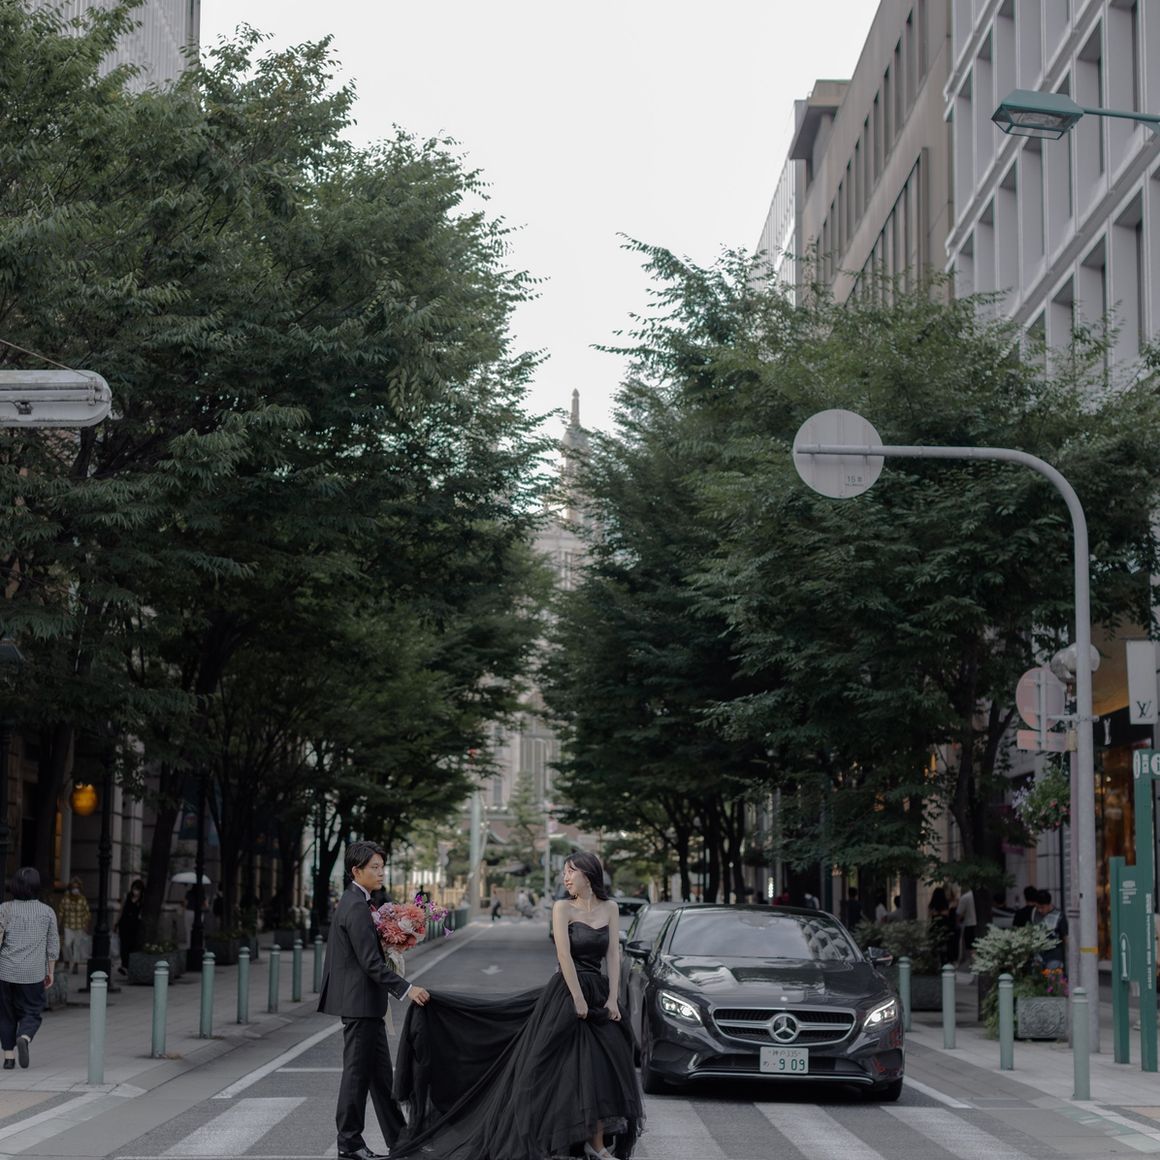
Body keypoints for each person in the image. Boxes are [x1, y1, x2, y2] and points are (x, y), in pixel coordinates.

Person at [392, 851, 642, 1159]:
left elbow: (613, 954)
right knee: (554, 1070)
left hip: (600, 994)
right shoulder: (562, 907)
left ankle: (596, 1143)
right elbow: (564, 955)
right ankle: (555, 1141)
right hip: (567, 993)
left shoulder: (610, 908)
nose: (565, 877)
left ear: (588, 875)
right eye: (564, 871)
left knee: (601, 1069)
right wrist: (577, 998)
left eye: (570, 871)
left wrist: (613, 998)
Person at [317, 840, 430, 1160]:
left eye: (382, 867)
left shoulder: (359, 902)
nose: (381, 873)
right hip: (359, 1003)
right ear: (356, 871)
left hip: (367, 1003)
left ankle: (400, 1140)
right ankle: (349, 1143)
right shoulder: (355, 906)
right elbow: (369, 962)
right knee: (356, 1075)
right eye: (375, 868)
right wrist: (408, 989)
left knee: (381, 1077)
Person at [0, 867, 59, 1070]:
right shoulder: (47, 912)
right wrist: (50, 971)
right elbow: (52, 945)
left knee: (5, 1014)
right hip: (32, 973)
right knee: (32, 1011)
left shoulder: (4, 909)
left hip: (5, 971)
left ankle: (8, 1058)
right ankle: (24, 1036)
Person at [56, 877, 91, 975]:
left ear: (80, 888)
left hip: (79, 926)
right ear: (70, 888)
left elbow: (87, 913)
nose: (75, 890)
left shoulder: (82, 899)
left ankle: (75, 964)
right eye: (73, 888)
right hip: (68, 926)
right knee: (66, 945)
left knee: (77, 946)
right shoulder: (65, 899)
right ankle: (67, 961)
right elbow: (61, 912)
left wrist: (86, 925)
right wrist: (58, 924)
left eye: (77, 888)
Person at [114, 879, 144, 976]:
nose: (135, 891)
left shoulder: (142, 900)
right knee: (123, 945)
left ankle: (129, 966)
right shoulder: (127, 897)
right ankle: (124, 965)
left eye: (138, 889)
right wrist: (116, 923)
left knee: (132, 945)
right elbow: (121, 910)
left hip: (134, 925)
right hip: (124, 923)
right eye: (134, 888)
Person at [1033, 889, 1068, 969]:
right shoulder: (1035, 913)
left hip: (1054, 957)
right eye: (1037, 907)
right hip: (1038, 957)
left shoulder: (1059, 916)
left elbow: (1065, 938)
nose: (1040, 910)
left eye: (1042, 907)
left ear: (1049, 904)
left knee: (1052, 975)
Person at [928, 887, 957, 966]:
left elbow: (929, 916)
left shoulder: (931, 906)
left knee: (936, 946)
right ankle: (947, 961)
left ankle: (936, 961)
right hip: (945, 928)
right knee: (947, 945)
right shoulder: (946, 905)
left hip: (935, 928)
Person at [956, 888, 977, 964]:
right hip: (982, 924)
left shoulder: (965, 897)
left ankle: (973, 963)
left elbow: (959, 913)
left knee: (971, 948)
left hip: (970, 924)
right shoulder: (983, 896)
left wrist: (957, 922)